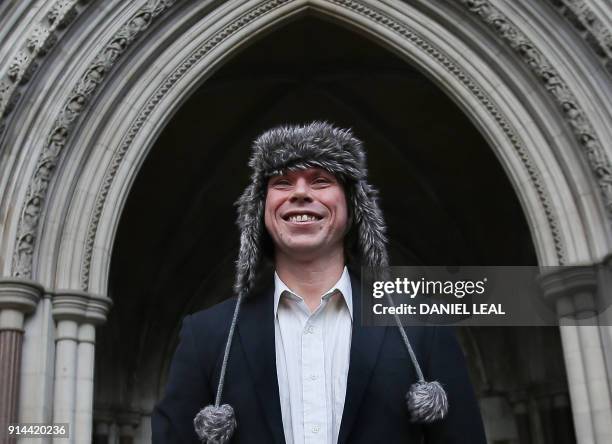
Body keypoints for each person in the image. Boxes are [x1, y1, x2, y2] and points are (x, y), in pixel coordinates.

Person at [152, 121, 486, 443]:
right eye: (282, 182)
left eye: (321, 180)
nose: (299, 192)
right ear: (262, 209)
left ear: (352, 205)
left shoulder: (422, 327)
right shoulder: (206, 336)